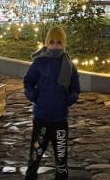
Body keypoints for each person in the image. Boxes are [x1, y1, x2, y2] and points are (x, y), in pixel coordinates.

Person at [23, 26, 80, 180]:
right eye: (52, 42)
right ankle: (31, 176)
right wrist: (34, 96)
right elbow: (28, 82)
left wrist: (68, 100)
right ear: (47, 43)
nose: (55, 46)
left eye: (59, 42)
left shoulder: (69, 65)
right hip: (41, 117)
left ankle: (61, 177)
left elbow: (75, 88)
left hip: (60, 118)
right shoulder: (39, 63)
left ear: (63, 43)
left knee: (61, 155)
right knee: (36, 153)